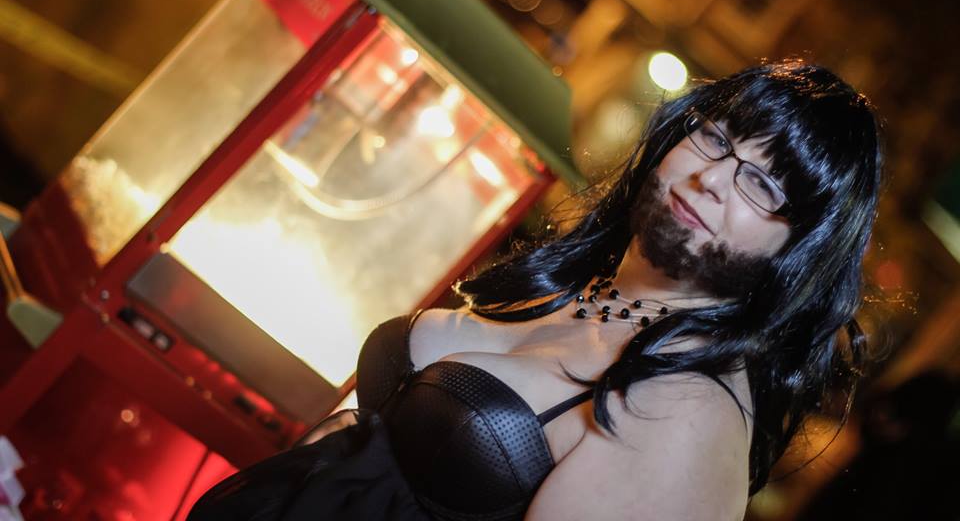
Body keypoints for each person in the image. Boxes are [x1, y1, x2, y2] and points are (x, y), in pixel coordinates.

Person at [187, 59, 884, 520]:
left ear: (797, 249)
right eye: (716, 139)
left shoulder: (690, 414)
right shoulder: (584, 287)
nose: (712, 180)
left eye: (761, 185)